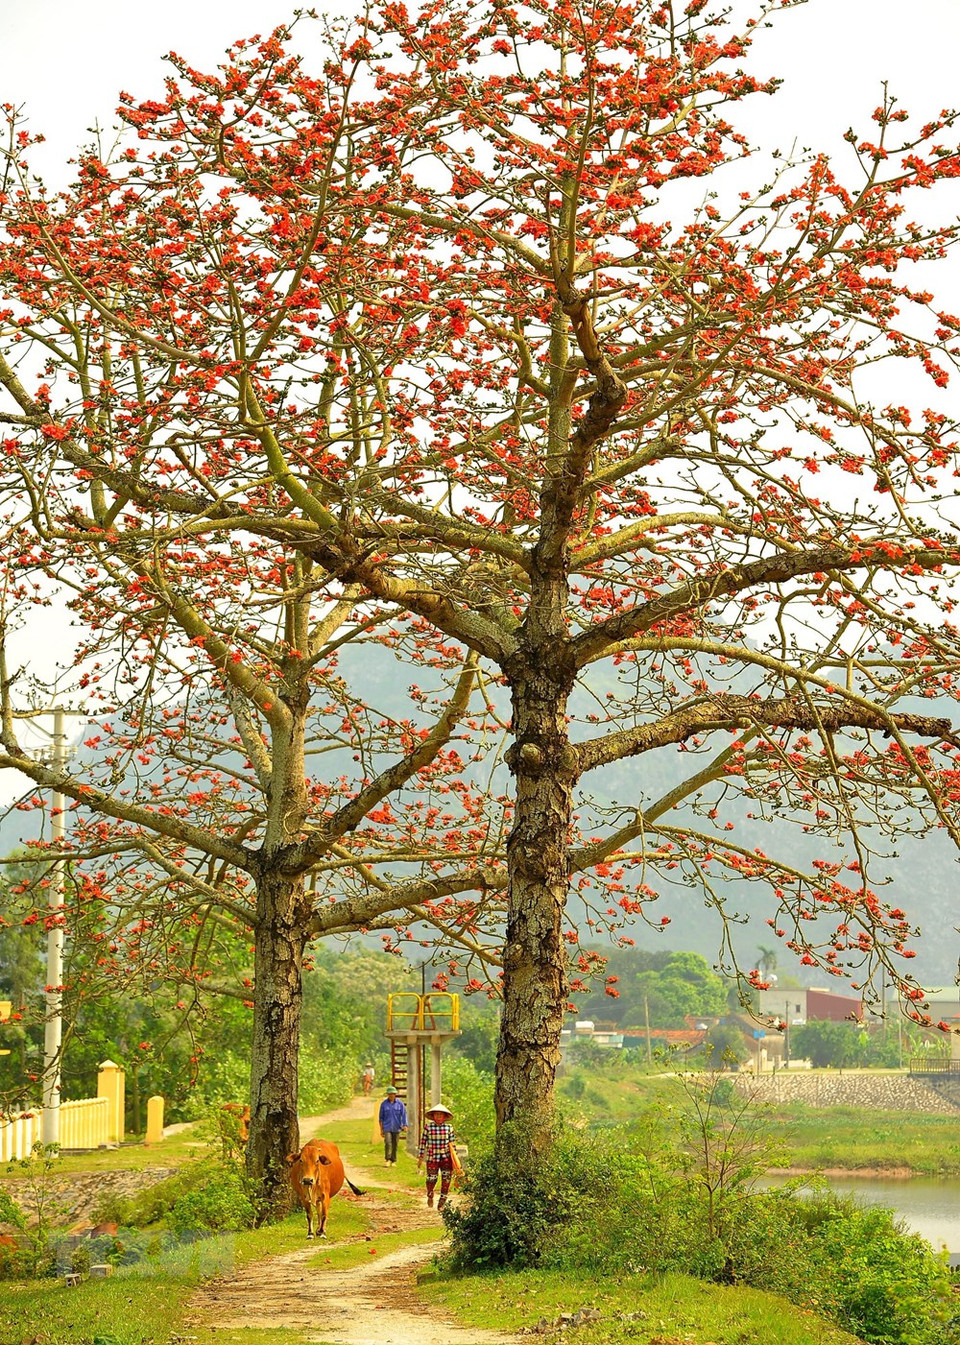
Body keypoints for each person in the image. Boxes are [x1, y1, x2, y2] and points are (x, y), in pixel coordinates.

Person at [417, 1102, 456, 1210]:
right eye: (437, 1114)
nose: (439, 1117)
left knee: (446, 1180)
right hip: (432, 1157)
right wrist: (420, 1157)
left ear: (444, 1117)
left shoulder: (449, 1128)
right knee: (431, 1179)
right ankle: (430, 1194)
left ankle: (442, 1202)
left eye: (441, 1115)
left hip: (446, 1157)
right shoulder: (428, 1127)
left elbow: (452, 1145)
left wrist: (455, 1161)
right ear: (433, 1116)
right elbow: (423, 1142)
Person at [378, 1085, 407, 1165]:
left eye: (393, 1094)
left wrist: (405, 1125)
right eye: (390, 1094)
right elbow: (381, 1118)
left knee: (395, 1144)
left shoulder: (400, 1104)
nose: (391, 1095)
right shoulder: (384, 1104)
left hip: (396, 1127)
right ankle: (387, 1159)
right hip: (387, 1127)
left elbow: (404, 1115)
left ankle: (393, 1160)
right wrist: (381, 1129)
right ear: (388, 1095)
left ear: (395, 1094)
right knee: (388, 1143)